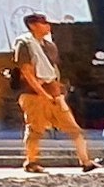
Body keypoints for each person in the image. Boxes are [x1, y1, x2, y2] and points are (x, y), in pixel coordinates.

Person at [9, 13, 94, 174]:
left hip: (54, 93)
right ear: (33, 25)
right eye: (43, 23)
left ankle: (86, 161)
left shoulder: (49, 46)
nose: (48, 26)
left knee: (74, 129)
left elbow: (53, 71)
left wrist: (59, 93)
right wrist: (42, 93)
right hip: (33, 94)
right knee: (35, 129)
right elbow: (27, 72)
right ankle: (31, 162)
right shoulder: (24, 43)